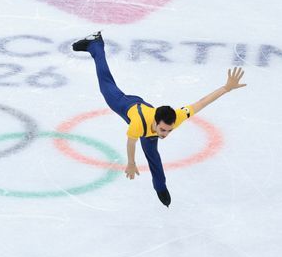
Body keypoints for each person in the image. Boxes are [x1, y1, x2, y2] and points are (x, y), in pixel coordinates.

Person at [73, 32, 247, 207]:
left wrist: (226, 88)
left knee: (153, 156)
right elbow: (131, 143)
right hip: (125, 105)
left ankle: (160, 188)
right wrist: (132, 163)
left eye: (169, 130)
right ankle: (95, 44)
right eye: (163, 130)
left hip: (145, 111)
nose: (165, 134)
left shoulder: (175, 118)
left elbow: (201, 103)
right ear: (156, 123)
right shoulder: (138, 125)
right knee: (106, 85)